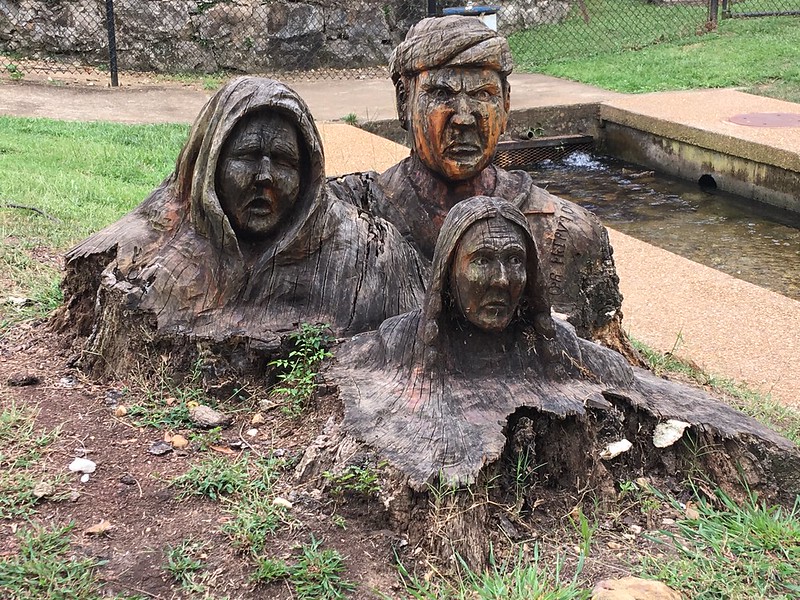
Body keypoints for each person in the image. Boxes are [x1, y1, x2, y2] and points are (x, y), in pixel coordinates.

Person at [60, 77, 427, 373]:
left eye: (284, 161)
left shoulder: (366, 253)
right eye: (247, 156)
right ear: (210, 163)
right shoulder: (146, 249)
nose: (265, 177)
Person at [330, 15, 628, 353]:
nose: (464, 117)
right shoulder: (352, 219)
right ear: (404, 101)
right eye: (441, 93)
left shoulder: (567, 231)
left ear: (506, 104)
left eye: (483, 94)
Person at [332, 196, 633, 489]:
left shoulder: (552, 343)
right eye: (482, 260)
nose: (501, 280)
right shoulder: (398, 340)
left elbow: (618, 370)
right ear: (449, 269)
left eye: (514, 260)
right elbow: (347, 361)